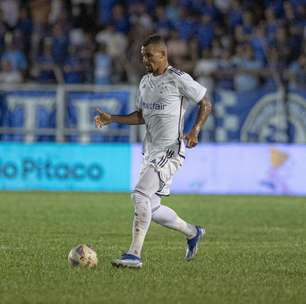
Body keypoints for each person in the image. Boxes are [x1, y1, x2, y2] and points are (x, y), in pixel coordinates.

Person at [95, 34, 212, 268]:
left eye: (149, 56)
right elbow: (141, 116)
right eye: (142, 56)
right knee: (153, 207)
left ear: (163, 54)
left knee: (139, 195)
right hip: (150, 152)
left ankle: (134, 254)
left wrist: (195, 130)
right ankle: (192, 232)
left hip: (170, 150)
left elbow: (205, 103)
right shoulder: (145, 82)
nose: (145, 60)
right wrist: (113, 118)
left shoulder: (178, 79)